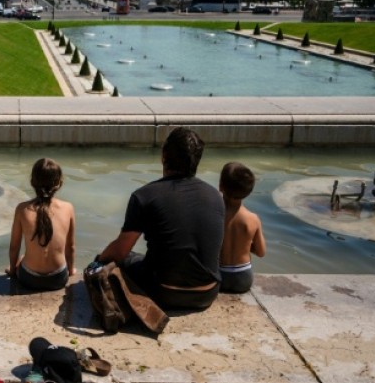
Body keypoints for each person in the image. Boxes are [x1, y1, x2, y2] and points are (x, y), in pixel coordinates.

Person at [96, 127, 224, 310]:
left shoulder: (144, 196)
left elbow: (120, 252)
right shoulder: (215, 197)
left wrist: (100, 258)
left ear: (163, 156)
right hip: (207, 294)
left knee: (115, 260)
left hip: (162, 293)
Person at [7, 158, 77, 291]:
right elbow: (71, 247)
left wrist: (12, 270)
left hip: (29, 278)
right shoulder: (68, 208)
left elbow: (14, 247)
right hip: (58, 278)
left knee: (22, 258)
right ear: (59, 183)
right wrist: (71, 270)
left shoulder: (22, 209)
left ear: (32, 182)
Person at [218, 162, 266, 293]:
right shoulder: (253, 219)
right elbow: (261, 252)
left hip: (219, 277)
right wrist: (245, 243)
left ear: (221, 186)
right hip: (243, 278)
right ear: (248, 191)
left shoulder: (215, 215)